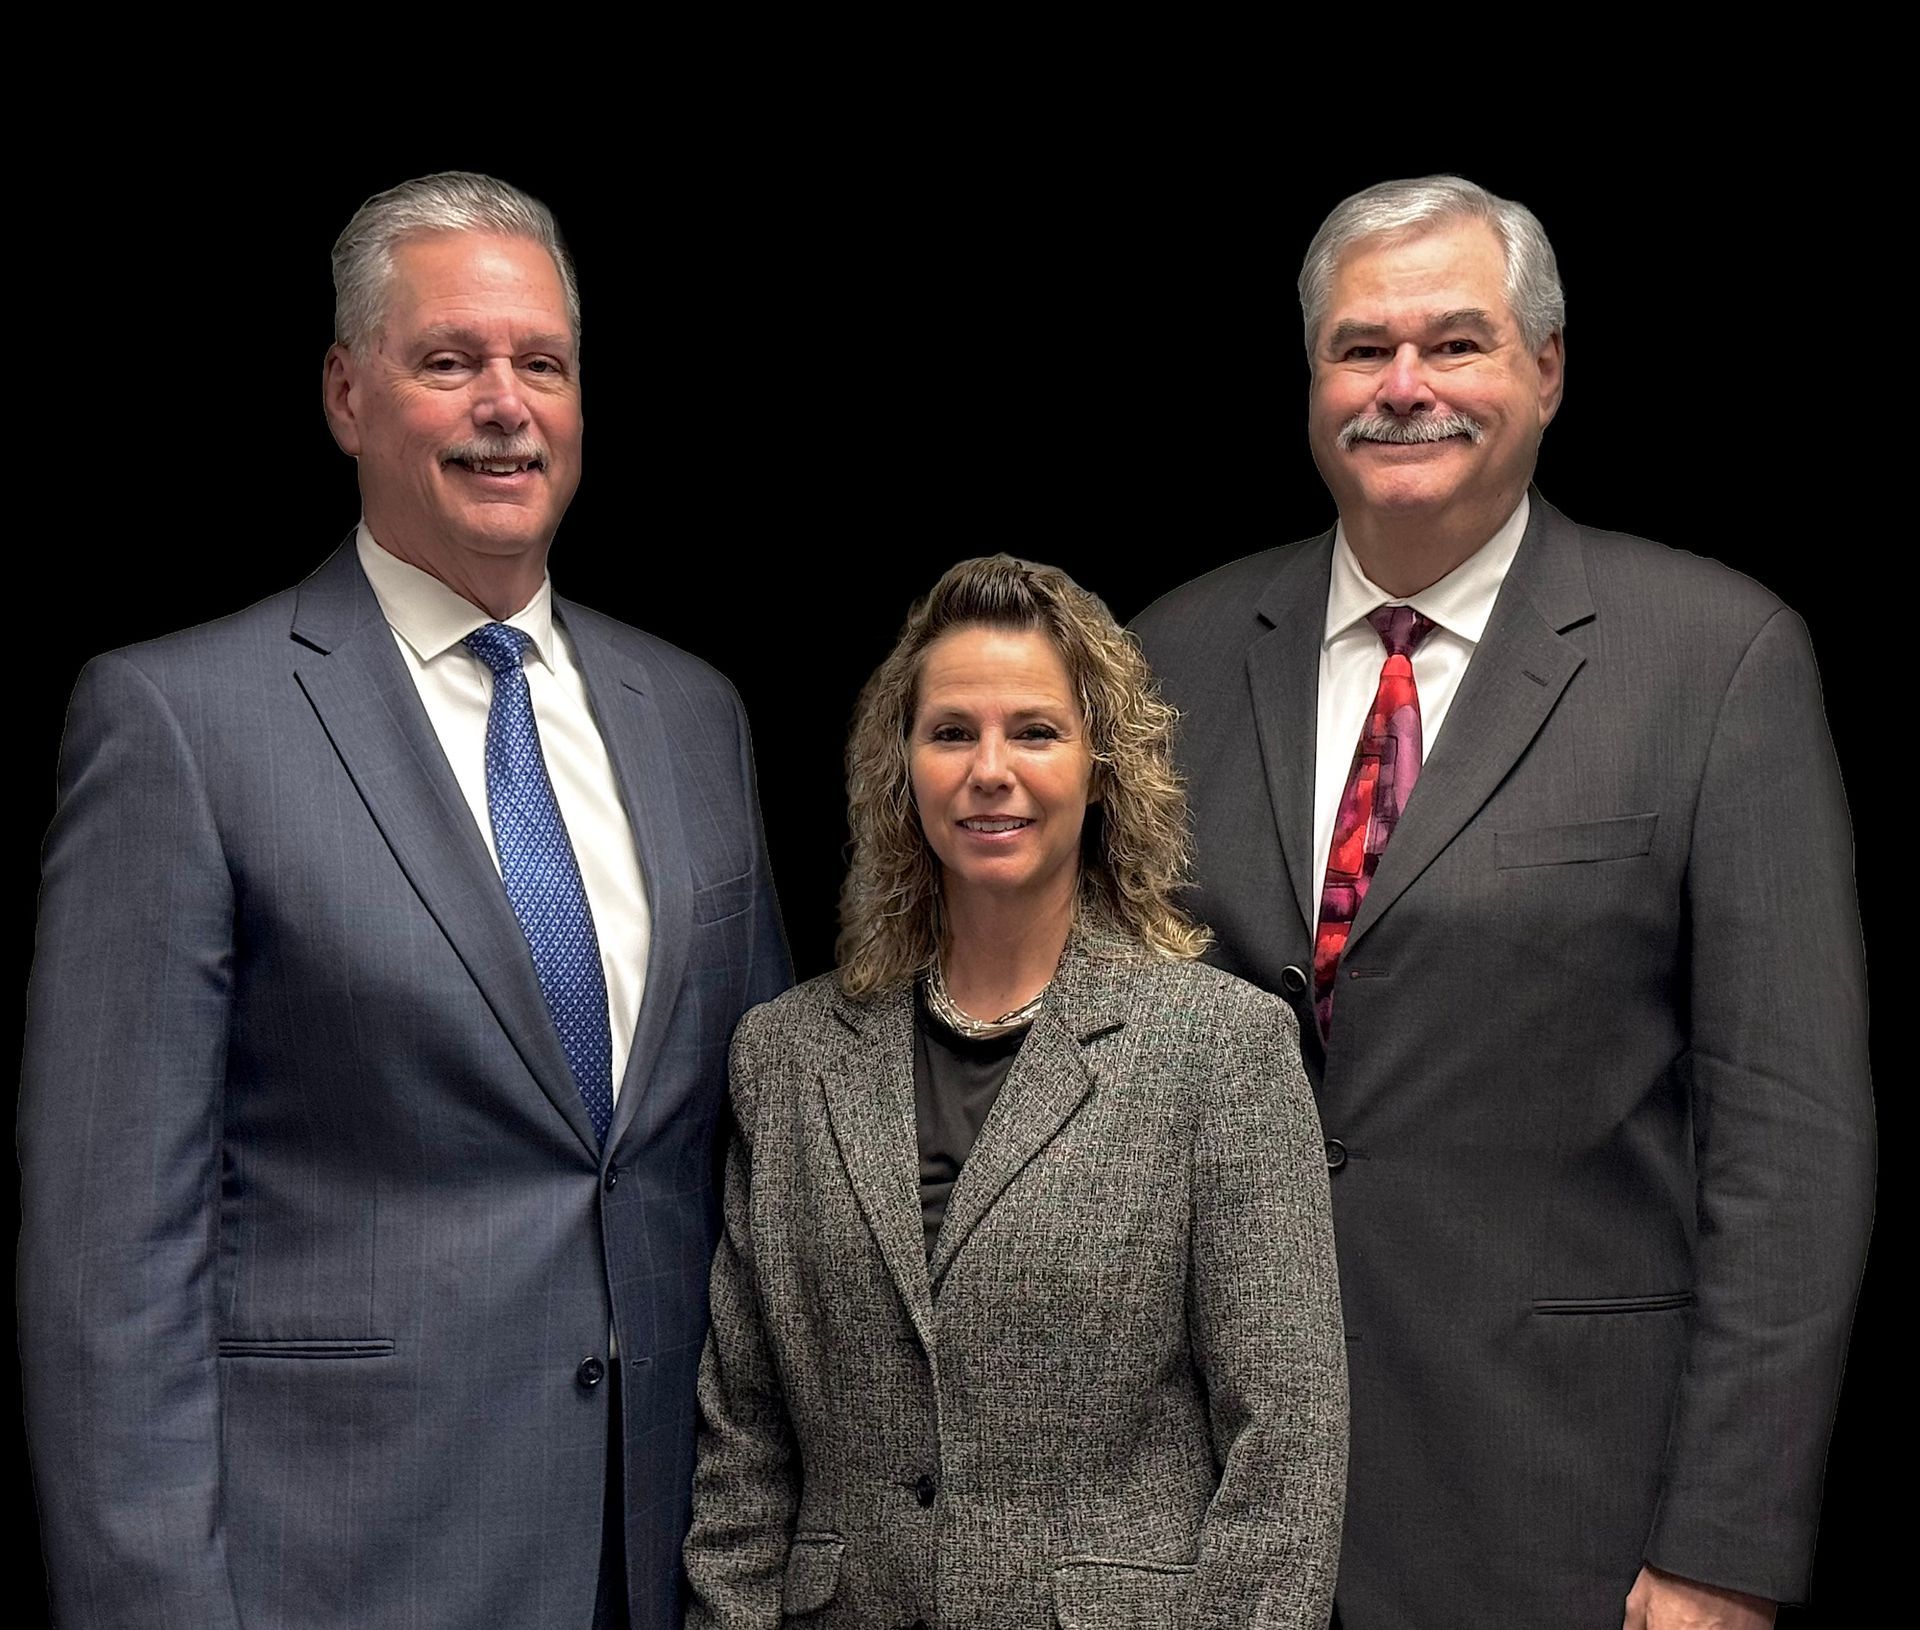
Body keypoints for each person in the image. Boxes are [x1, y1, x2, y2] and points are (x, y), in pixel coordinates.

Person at [17, 172, 789, 1630]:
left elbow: (764, 1162)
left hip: (670, 1563)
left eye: (541, 365)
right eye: (451, 361)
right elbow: (109, 1265)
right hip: (339, 1569)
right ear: (346, 392)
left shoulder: (693, 715)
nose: (507, 403)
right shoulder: (180, 722)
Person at [1130, 175, 1873, 1628]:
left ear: (1547, 369)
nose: (1404, 386)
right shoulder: (1172, 655)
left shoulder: (1715, 662)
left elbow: (1791, 1142)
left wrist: (1724, 1544)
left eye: (1455, 342)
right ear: (1310, 382)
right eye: (1361, 348)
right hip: (1210, 1517)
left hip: (1567, 1520)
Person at [682, 555, 1347, 1629]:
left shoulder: (1220, 1049)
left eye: (1035, 731)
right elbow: (745, 1438)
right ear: (901, 766)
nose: (990, 769)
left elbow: (1288, 1454)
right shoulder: (785, 1054)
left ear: (1102, 767)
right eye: (952, 732)